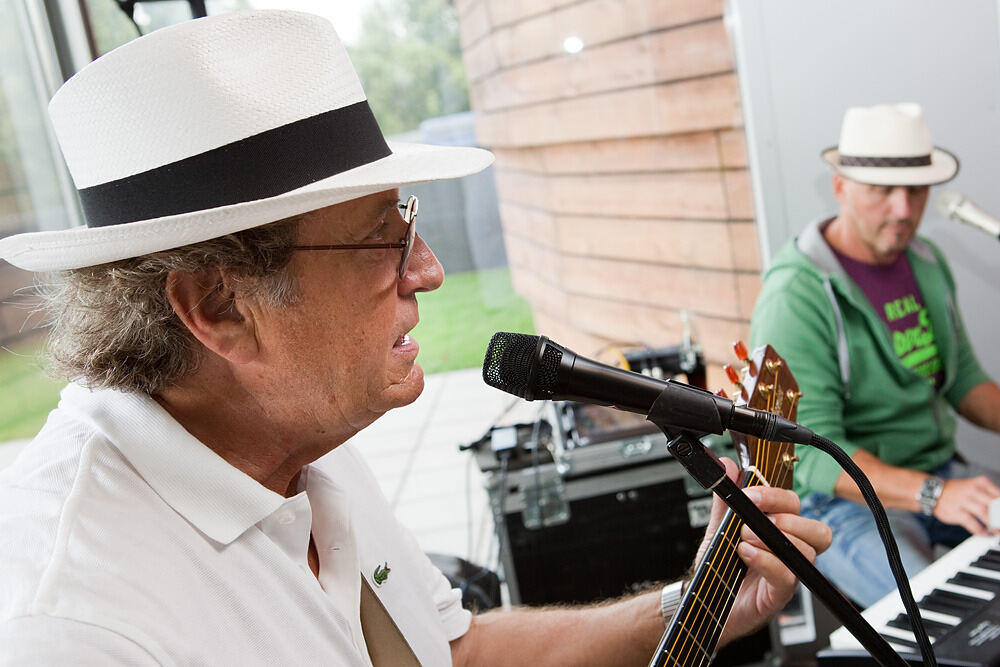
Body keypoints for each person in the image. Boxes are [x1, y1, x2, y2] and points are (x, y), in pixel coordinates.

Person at [0, 10, 831, 665]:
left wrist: (697, 601)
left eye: (410, 221)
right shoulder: (76, 623)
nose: (428, 270)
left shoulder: (292, 430)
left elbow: (454, 653)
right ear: (219, 306)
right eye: (380, 238)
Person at [750, 102, 1000, 608]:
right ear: (840, 186)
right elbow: (815, 455)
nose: (904, 210)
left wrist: (940, 489)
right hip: (842, 502)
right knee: (938, 617)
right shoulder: (795, 296)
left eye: (915, 190)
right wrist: (934, 494)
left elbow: (964, 381)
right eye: (883, 191)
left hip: (938, 474)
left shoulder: (927, 262)